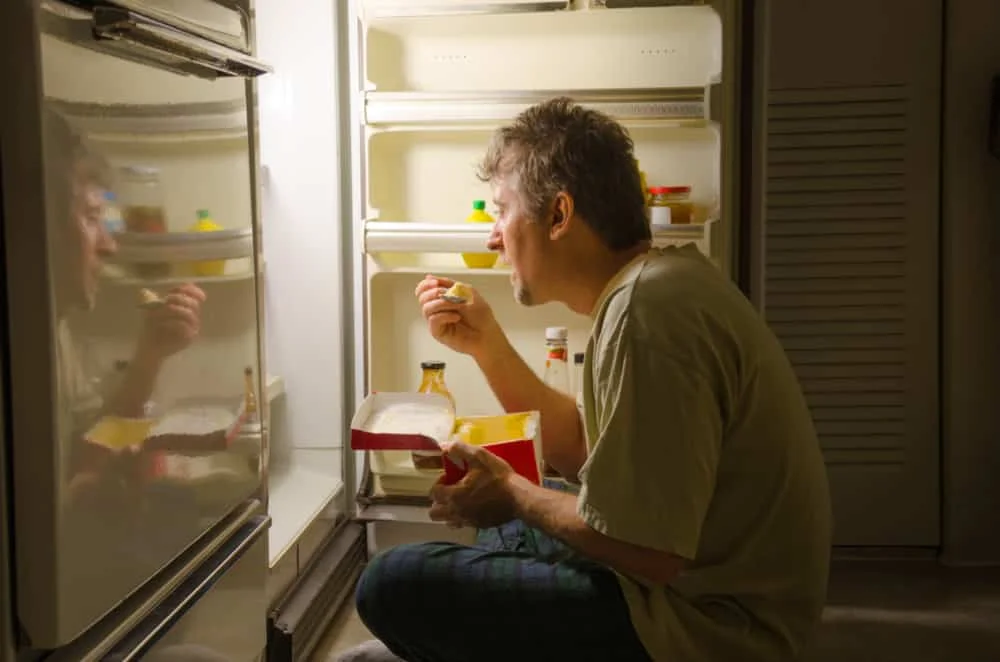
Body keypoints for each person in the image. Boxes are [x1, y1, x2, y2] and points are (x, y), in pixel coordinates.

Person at [343, 98, 832, 662]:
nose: (493, 237)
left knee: (392, 582)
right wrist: (485, 343)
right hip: (692, 590)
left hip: (705, 630)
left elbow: (646, 550)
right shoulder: (656, 287)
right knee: (517, 518)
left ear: (559, 215)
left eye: (502, 212)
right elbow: (579, 449)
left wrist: (512, 493)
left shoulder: (647, 311)